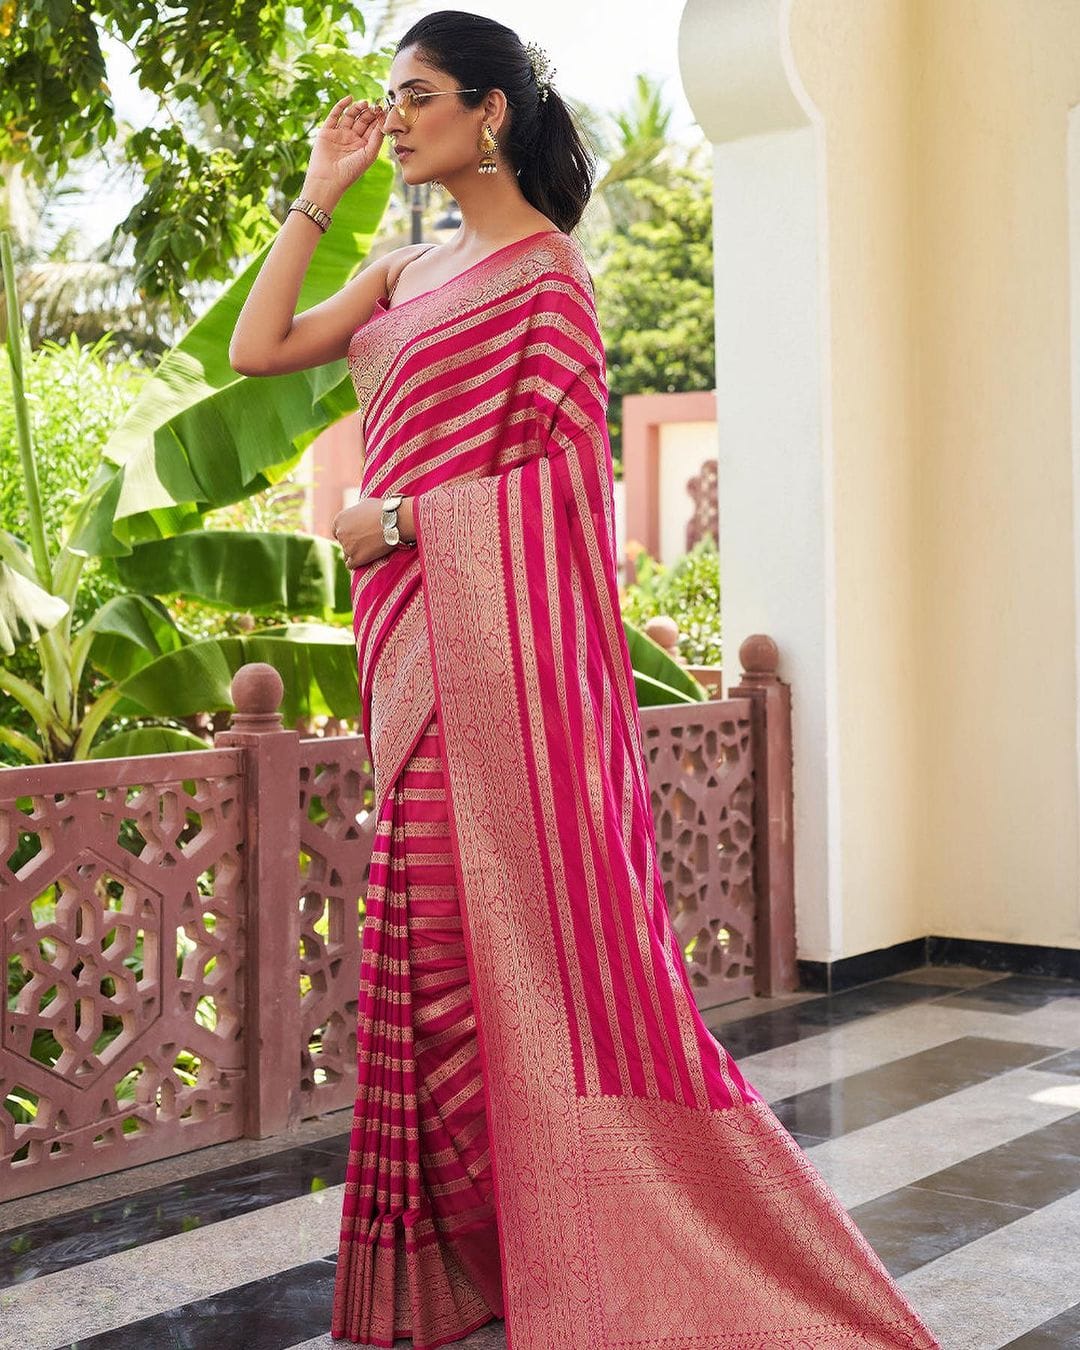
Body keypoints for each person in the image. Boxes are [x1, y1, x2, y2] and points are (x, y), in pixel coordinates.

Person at [230, 11, 942, 1350]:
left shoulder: (547, 278)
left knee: (475, 953)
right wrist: (316, 197)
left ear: (491, 113)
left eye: (420, 95)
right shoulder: (394, 274)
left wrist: (405, 521)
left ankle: (596, 1227)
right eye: (387, 101)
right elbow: (256, 351)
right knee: (421, 963)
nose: (397, 120)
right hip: (411, 660)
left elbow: (561, 494)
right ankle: (480, 1254)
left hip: (485, 662)